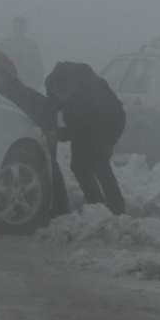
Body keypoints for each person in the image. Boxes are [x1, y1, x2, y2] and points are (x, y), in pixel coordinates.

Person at [0, 30, 69, 218]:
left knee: (46, 163)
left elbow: (33, 103)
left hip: (39, 118)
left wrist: (50, 134)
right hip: (33, 112)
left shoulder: (1, 74)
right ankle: (55, 208)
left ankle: (56, 210)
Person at [45, 61, 126, 216]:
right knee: (78, 165)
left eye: (64, 94)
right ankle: (95, 205)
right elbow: (51, 107)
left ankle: (117, 208)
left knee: (99, 162)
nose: (61, 98)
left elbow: (89, 127)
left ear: (74, 87)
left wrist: (62, 134)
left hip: (109, 123)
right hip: (80, 122)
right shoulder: (54, 84)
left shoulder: (95, 91)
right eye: (57, 94)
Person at [0, 16, 44, 90]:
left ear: (25, 28)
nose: (20, 28)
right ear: (13, 27)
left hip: (28, 83)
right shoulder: (4, 44)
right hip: (8, 82)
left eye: (22, 26)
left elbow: (38, 64)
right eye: (18, 26)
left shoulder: (32, 45)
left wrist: (39, 81)